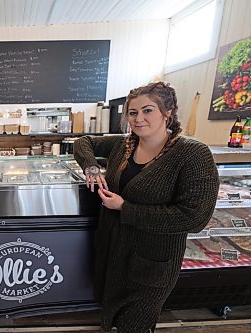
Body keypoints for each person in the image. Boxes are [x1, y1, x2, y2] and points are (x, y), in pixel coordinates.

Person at [73, 82, 219, 333]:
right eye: (132, 112)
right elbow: (83, 142)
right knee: (113, 319)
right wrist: (92, 167)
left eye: (147, 110)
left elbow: (195, 219)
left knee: (135, 324)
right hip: (114, 256)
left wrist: (125, 208)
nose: (138, 119)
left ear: (168, 112)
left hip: (151, 264)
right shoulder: (124, 145)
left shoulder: (193, 154)